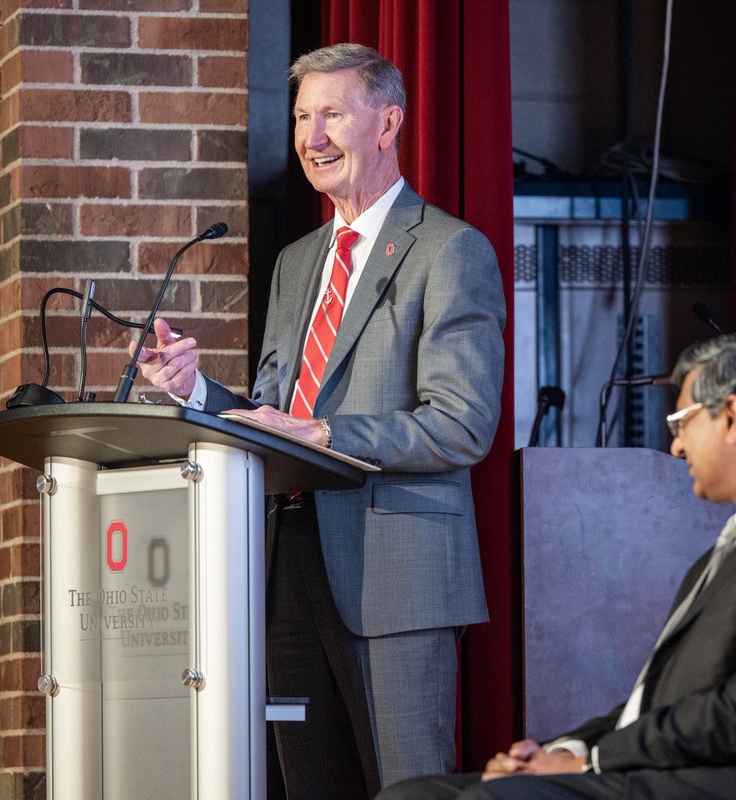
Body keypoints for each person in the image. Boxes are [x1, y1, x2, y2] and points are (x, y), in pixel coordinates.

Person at [129, 43, 506, 799]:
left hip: (395, 575)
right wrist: (196, 391)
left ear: (388, 122)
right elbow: (279, 409)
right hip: (284, 564)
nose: (312, 137)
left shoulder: (449, 250)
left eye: (333, 113)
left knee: (409, 789)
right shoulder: (298, 263)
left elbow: (462, 424)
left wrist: (330, 435)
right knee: (310, 785)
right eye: (303, 117)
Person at [379, 333, 736, 800]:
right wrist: (563, 747)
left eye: (681, 422)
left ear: (732, 417)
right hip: (694, 768)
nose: (676, 445)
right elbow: (661, 697)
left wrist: (588, 762)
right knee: (414, 794)